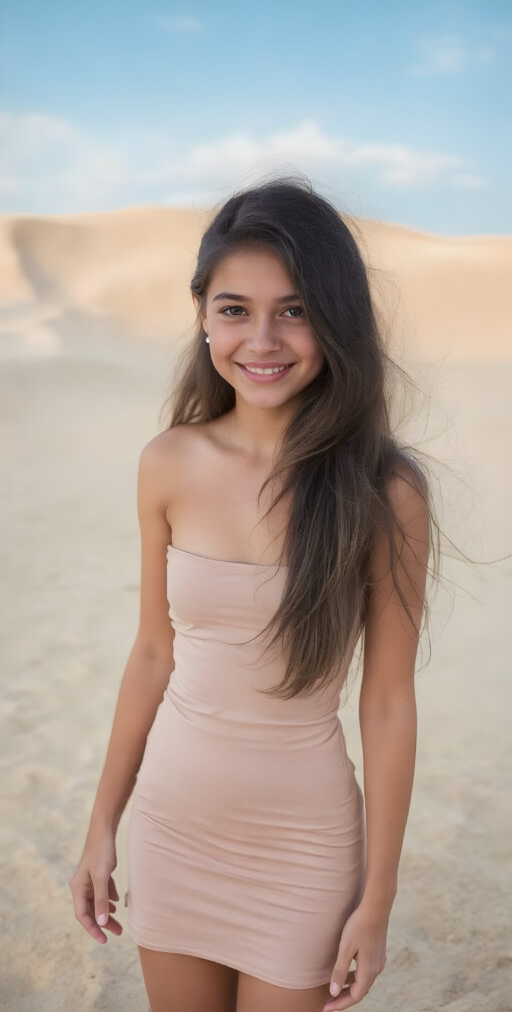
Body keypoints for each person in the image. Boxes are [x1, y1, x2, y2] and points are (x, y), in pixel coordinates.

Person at [69, 175, 432, 1012]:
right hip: (171, 829)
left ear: (336, 319)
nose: (262, 338)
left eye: (295, 309)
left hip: (302, 850)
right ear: (201, 314)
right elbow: (154, 653)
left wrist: (376, 903)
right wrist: (101, 827)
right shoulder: (168, 462)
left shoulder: (385, 490)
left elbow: (386, 703)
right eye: (235, 308)